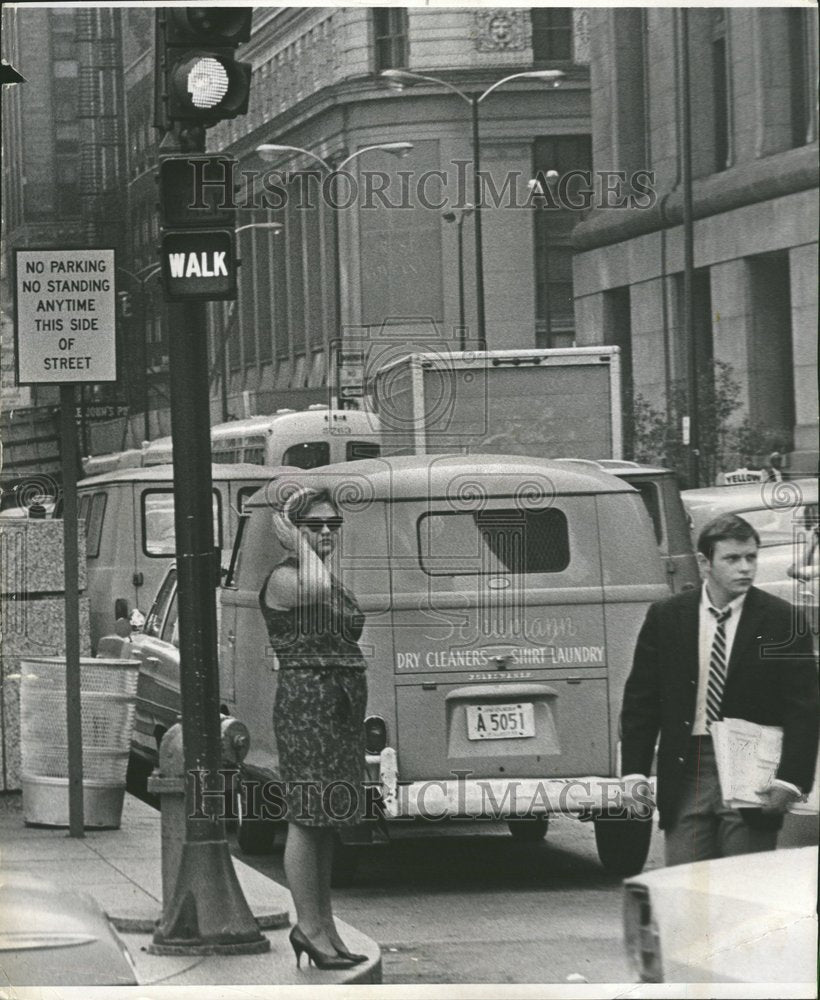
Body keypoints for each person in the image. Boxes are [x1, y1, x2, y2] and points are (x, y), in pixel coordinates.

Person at [620, 513, 819, 867]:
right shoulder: (667, 617)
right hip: (686, 766)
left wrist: (790, 780)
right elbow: (641, 701)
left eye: (751, 558)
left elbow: (803, 708)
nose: (745, 568)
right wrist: (634, 773)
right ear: (704, 563)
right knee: (686, 885)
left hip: (752, 768)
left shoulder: (782, 620)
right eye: (732, 559)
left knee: (741, 888)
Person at [260, 487, 368, 970]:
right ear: (291, 533)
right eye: (313, 525)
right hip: (307, 709)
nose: (326, 532)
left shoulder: (320, 574)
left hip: (337, 710)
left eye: (332, 525)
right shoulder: (286, 579)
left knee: (327, 823)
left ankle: (325, 925)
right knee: (306, 818)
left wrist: (308, 543)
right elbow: (320, 592)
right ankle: (307, 925)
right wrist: (298, 544)